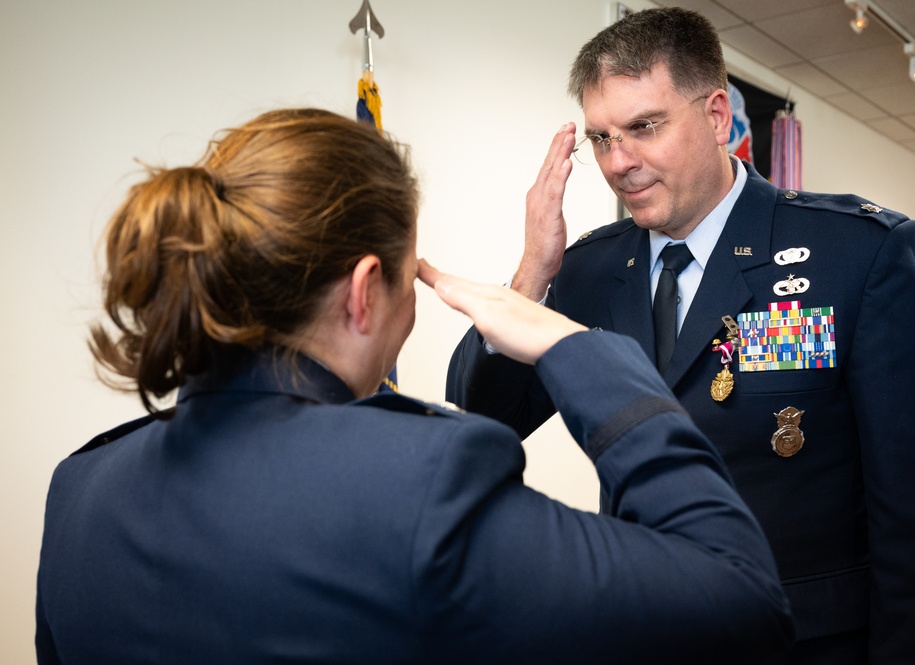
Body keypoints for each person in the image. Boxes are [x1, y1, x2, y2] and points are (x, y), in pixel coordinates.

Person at [36, 108, 794, 664]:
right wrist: (579, 347)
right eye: (408, 274)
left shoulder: (80, 488)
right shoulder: (419, 481)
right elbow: (739, 596)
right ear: (365, 290)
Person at [446, 7, 915, 664]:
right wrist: (530, 272)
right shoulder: (587, 270)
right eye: (600, 138)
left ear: (716, 116)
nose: (618, 162)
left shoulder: (851, 256)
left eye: (643, 127)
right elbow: (484, 414)